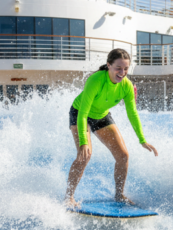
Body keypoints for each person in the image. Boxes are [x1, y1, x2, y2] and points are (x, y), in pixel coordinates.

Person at [65, 48, 158, 208]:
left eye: (126, 69)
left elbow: (132, 113)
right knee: (84, 155)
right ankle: (69, 197)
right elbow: (83, 113)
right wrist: (83, 141)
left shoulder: (126, 86)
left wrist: (142, 140)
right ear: (108, 65)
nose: (122, 72)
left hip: (101, 115)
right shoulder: (96, 80)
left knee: (123, 156)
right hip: (80, 113)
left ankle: (119, 195)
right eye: (118, 68)